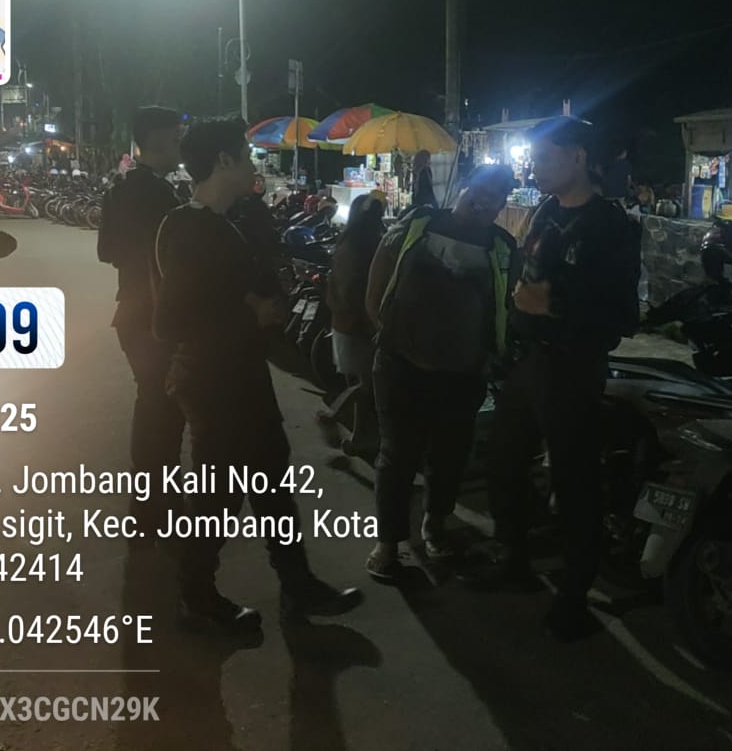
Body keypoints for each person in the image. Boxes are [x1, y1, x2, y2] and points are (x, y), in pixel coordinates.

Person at [152, 119, 363, 633]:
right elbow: (169, 321)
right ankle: (196, 596)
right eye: (245, 155)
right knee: (217, 496)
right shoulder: (187, 227)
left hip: (242, 373)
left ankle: (297, 584)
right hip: (213, 381)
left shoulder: (226, 222)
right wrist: (253, 314)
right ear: (223, 161)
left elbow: (228, 289)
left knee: (271, 481)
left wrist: (257, 301)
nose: (252, 165)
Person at [468, 116, 640, 641]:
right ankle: (514, 560)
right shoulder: (544, 211)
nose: (535, 167)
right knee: (503, 462)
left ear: (578, 157)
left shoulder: (611, 226)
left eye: (544, 157)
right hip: (528, 363)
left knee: (574, 481)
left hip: (572, 368)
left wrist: (555, 307)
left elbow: (624, 315)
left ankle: (574, 595)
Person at [363, 165, 519, 580]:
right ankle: (387, 544)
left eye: (496, 196)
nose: (484, 201)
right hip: (400, 366)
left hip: (464, 376)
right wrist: (387, 333)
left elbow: (507, 305)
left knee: (450, 456)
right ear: (463, 187)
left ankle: (435, 526)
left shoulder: (503, 248)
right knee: (397, 455)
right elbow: (377, 281)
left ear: (502, 205)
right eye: (480, 190)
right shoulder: (417, 224)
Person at [96, 107, 185, 537]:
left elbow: (105, 251)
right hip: (154, 316)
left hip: (130, 312)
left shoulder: (120, 189)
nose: (180, 146)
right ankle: (158, 503)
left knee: (152, 401)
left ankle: (150, 497)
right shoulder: (162, 196)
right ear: (155, 140)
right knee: (163, 407)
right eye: (176, 138)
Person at [319, 191, 388, 457]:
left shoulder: (347, 239)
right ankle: (333, 414)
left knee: (359, 381)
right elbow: (358, 289)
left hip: (342, 320)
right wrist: (371, 320)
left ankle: (360, 438)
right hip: (359, 322)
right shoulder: (371, 245)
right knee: (366, 383)